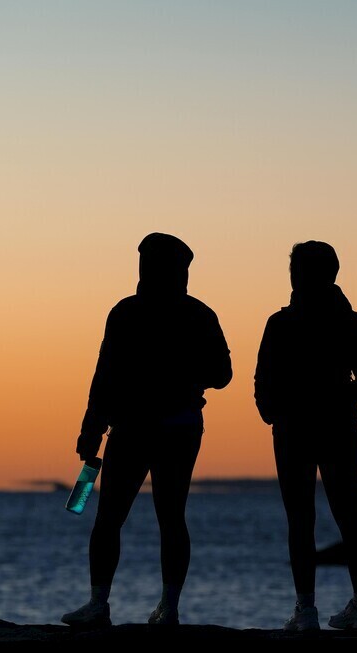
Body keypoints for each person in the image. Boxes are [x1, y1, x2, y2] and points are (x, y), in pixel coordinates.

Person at [62, 233, 232, 627]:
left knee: (144, 517)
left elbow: (221, 374)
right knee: (131, 517)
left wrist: (94, 425)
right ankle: (118, 604)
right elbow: (104, 375)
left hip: (159, 427)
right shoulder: (165, 313)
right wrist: (92, 427)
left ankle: (145, 606)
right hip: (149, 427)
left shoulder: (144, 313)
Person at [254, 241, 357, 631]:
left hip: (304, 426)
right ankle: (347, 607)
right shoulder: (344, 319)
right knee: (341, 515)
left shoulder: (286, 322)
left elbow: (263, 378)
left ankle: (313, 609)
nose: (293, 276)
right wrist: (342, 402)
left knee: (310, 518)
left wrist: (276, 409)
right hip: (322, 425)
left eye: (297, 269)